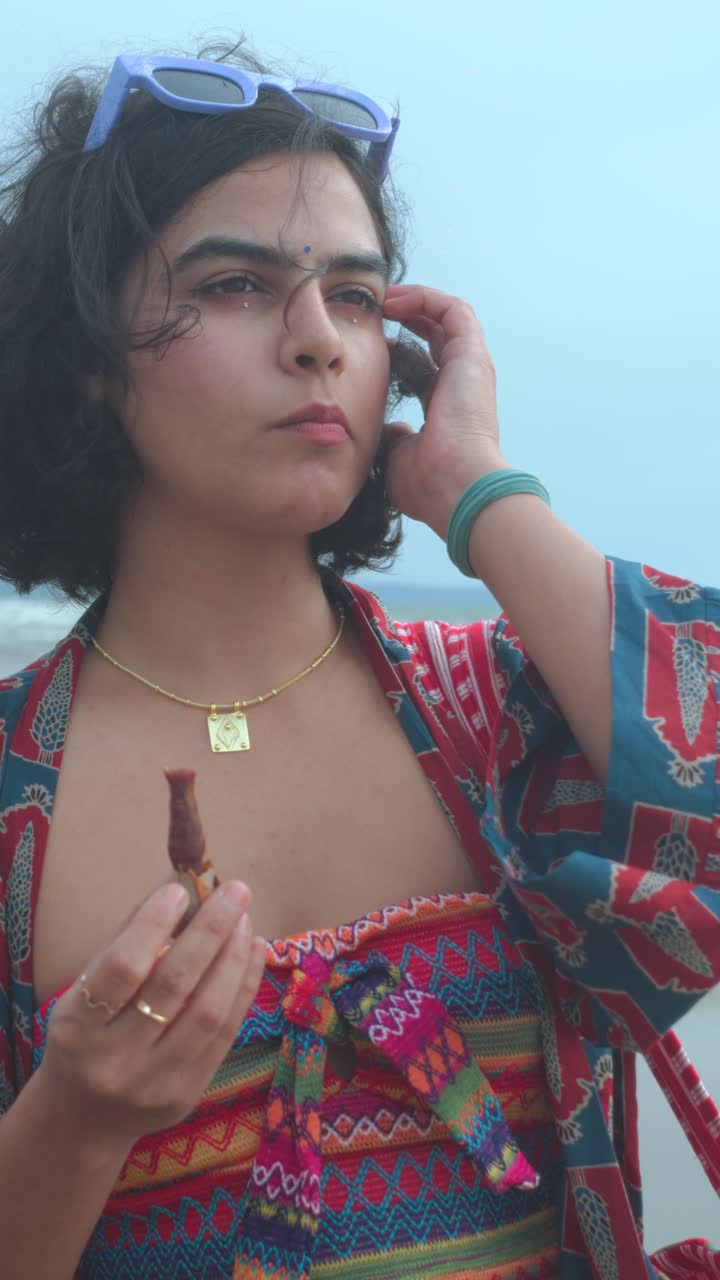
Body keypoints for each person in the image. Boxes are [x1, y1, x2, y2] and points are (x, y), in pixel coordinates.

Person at [0, 39, 718, 1280]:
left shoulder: (486, 712)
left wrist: (480, 493)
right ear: (87, 362)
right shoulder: (19, 797)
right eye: (233, 283)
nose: (318, 338)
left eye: (357, 293)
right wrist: (76, 1119)